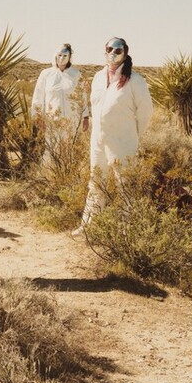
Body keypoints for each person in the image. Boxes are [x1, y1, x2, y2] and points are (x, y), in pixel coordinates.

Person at [73, 37, 153, 235]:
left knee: (124, 184)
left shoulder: (135, 80)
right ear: (104, 51)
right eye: (109, 49)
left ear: (125, 53)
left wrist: (133, 135)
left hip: (123, 141)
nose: (113, 53)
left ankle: (126, 229)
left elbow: (146, 112)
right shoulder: (99, 78)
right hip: (98, 139)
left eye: (118, 50)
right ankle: (88, 225)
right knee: (96, 181)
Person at [31, 43, 89, 139]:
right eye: (59, 55)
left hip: (72, 122)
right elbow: (38, 96)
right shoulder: (46, 74)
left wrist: (85, 117)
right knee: (51, 146)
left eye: (65, 56)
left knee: (71, 146)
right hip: (52, 122)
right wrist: (38, 117)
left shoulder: (76, 74)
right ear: (55, 55)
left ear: (69, 57)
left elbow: (82, 96)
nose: (61, 58)